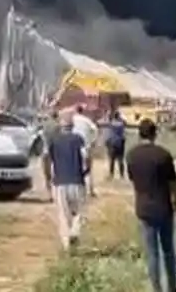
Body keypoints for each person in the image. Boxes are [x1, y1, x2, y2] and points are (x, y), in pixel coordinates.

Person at [126, 119, 176, 292]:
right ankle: (172, 287)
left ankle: (156, 288)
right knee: (168, 250)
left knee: (151, 252)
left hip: (143, 207)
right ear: (154, 133)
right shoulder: (163, 154)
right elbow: (173, 183)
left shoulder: (132, 155)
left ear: (139, 134)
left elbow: (132, 179)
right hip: (164, 207)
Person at [46, 109, 89, 251]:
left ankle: (66, 246)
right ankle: (74, 232)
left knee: (64, 215)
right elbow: (85, 157)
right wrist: (86, 171)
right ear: (72, 126)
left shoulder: (54, 140)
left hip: (60, 182)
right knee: (79, 212)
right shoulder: (78, 139)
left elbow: (48, 159)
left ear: (60, 125)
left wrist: (48, 178)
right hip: (77, 180)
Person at [70, 105, 99, 197]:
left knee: (75, 168)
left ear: (75, 111)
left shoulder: (72, 120)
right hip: (86, 146)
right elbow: (95, 129)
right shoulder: (86, 120)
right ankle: (90, 190)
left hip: (73, 147)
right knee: (88, 169)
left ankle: (76, 190)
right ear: (82, 111)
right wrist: (92, 141)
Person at [102, 110, 127, 181]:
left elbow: (107, 121)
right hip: (120, 142)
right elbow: (125, 122)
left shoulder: (111, 123)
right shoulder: (121, 123)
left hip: (112, 142)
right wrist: (121, 118)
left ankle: (111, 174)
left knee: (112, 160)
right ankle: (122, 175)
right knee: (120, 160)